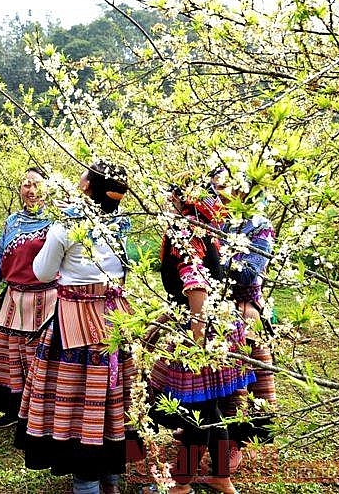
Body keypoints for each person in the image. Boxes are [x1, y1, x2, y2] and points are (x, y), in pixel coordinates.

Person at [15, 160, 136, 494]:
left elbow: (42, 272)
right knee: (113, 396)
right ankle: (111, 475)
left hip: (76, 319)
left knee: (79, 399)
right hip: (115, 316)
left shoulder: (67, 224)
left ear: (86, 186)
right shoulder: (124, 222)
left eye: (84, 174)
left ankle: (86, 482)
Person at [147, 176, 257, 494]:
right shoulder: (204, 230)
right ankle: (221, 477)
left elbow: (196, 289)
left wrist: (197, 346)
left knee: (198, 411)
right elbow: (187, 295)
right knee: (210, 409)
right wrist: (159, 325)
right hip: (216, 328)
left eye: (173, 195)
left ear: (184, 201)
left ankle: (181, 485)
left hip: (202, 334)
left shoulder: (185, 234)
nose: (168, 198)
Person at [0, 168, 56, 428]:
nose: (31, 191)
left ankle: (38, 413)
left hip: (46, 299)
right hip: (13, 298)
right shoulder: (12, 220)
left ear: (47, 188)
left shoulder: (56, 222)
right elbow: (1, 252)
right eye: (26, 185)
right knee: (11, 355)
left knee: (39, 356)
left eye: (37, 185)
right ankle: (14, 409)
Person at [213, 169, 278, 465]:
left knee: (239, 387)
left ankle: (229, 455)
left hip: (243, 311)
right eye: (215, 187)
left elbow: (250, 273)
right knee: (205, 386)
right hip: (209, 308)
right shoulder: (210, 218)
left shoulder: (259, 226)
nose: (219, 192)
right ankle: (206, 439)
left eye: (224, 186)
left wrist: (213, 264)